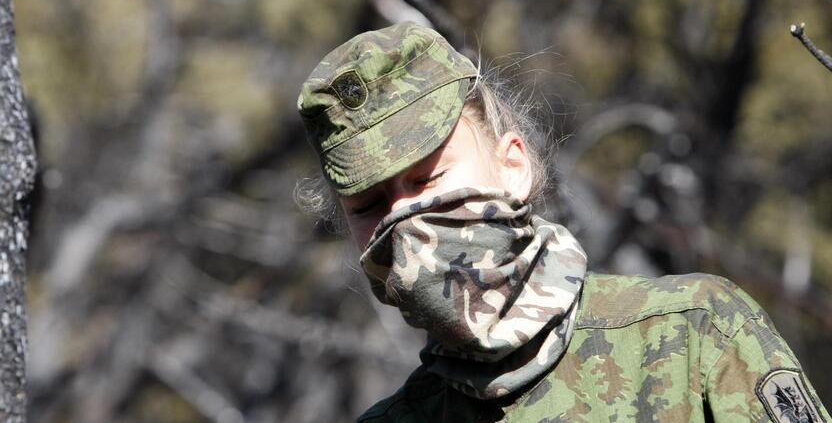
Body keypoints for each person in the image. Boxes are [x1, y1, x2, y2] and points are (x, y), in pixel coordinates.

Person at [295, 21, 829, 422]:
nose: (404, 216)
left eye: (426, 179)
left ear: (513, 166)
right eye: (369, 206)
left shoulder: (691, 337)